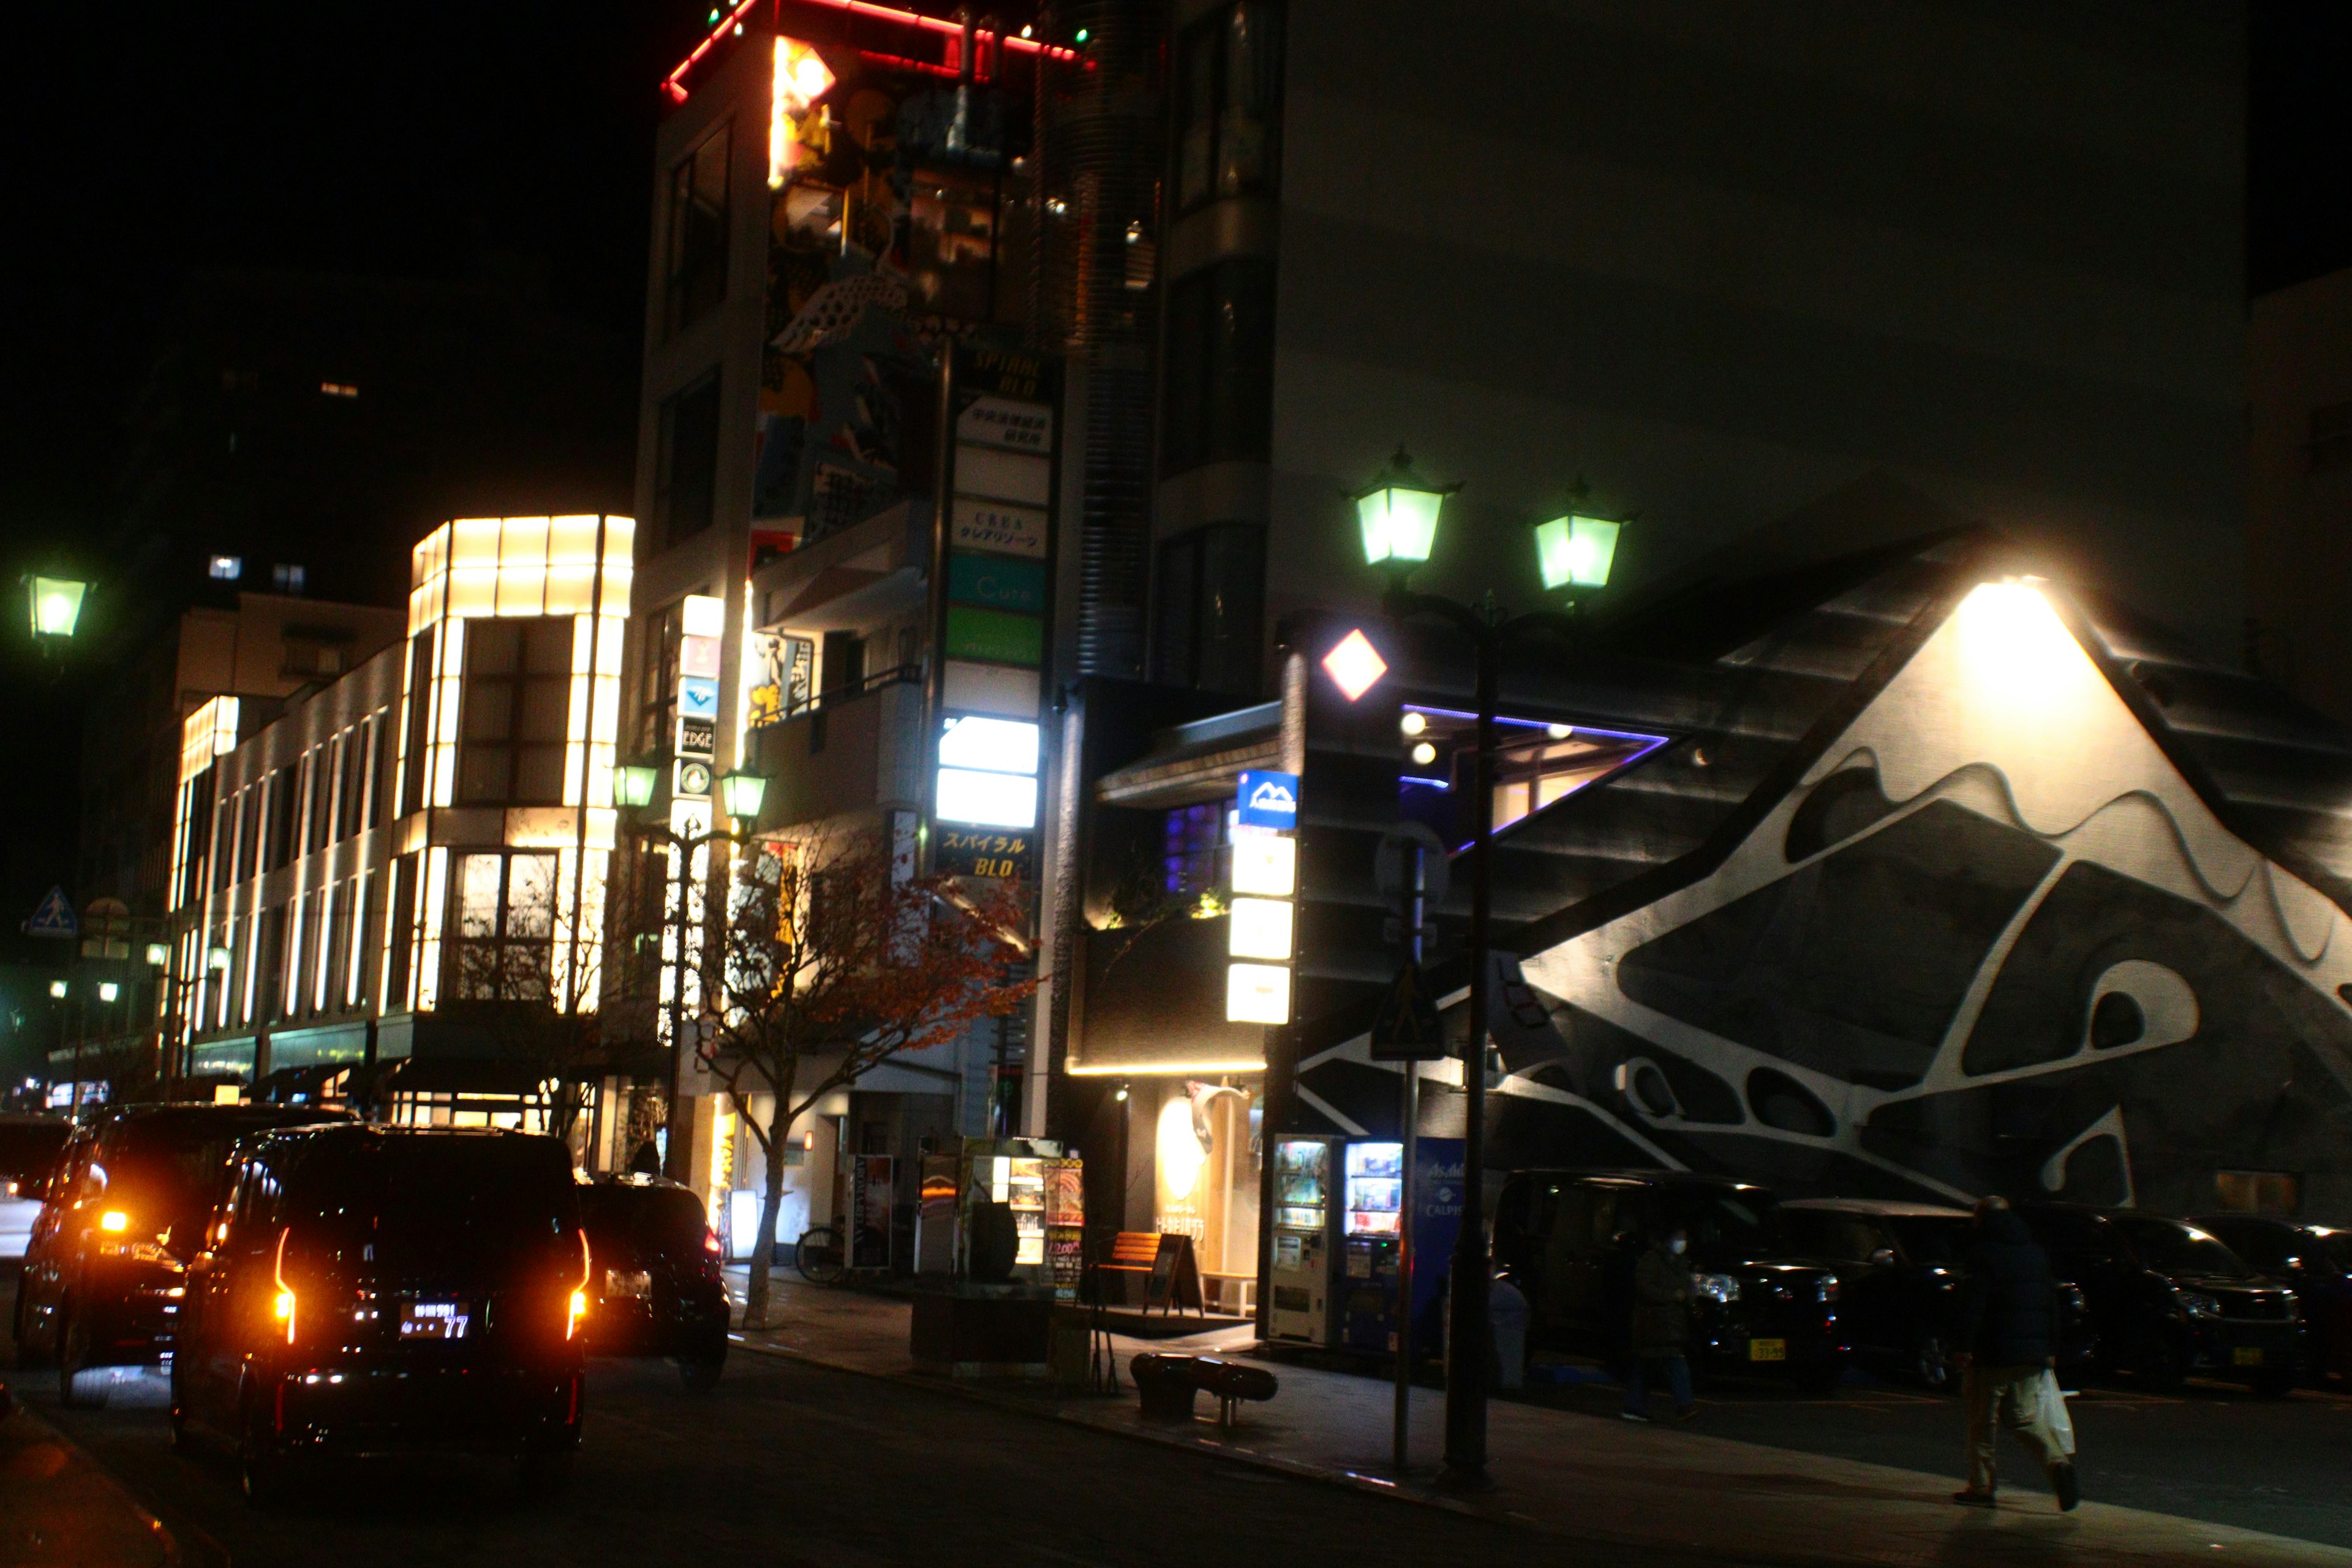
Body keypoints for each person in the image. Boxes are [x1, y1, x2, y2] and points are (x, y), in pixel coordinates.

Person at [1951, 1195, 2078, 1511]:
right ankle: (2058, 1463)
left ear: (1981, 1219)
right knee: (2024, 1418)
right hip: (2031, 1354)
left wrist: (1963, 1347)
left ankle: (1981, 1487)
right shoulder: (2035, 1253)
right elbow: (2050, 1304)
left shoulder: (1982, 1254)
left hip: (1993, 1352)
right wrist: (2050, 1348)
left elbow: (1973, 1306)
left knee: (1983, 1423)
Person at [1623, 1226, 1699, 1422]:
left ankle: (1633, 1406)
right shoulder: (1652, 1260)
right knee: (1673, 1363)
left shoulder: (1680, 1262)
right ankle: (1685, 1405)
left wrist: (1687, 1296)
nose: (1682, 1242)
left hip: (1670, 1325)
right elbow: (1645, 1288)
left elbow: (1690, 1286)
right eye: (1679, 1238)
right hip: (1655, 1324)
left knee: (1647, 1365)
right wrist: (1673, 1296)